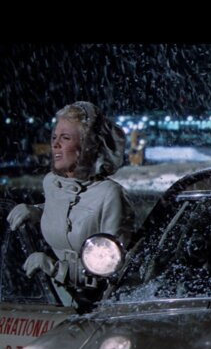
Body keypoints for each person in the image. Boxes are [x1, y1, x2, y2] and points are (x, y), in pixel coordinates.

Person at [6, 101, 134, 309]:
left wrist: (56, 269)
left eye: (65, 138)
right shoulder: (52, 183)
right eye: (54, 137)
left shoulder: (110, 194)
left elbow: (114, 267)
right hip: (53, 299)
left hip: (95, 308)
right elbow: (67, 211)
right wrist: (36, 211)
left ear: (88, 146)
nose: (55, 144)